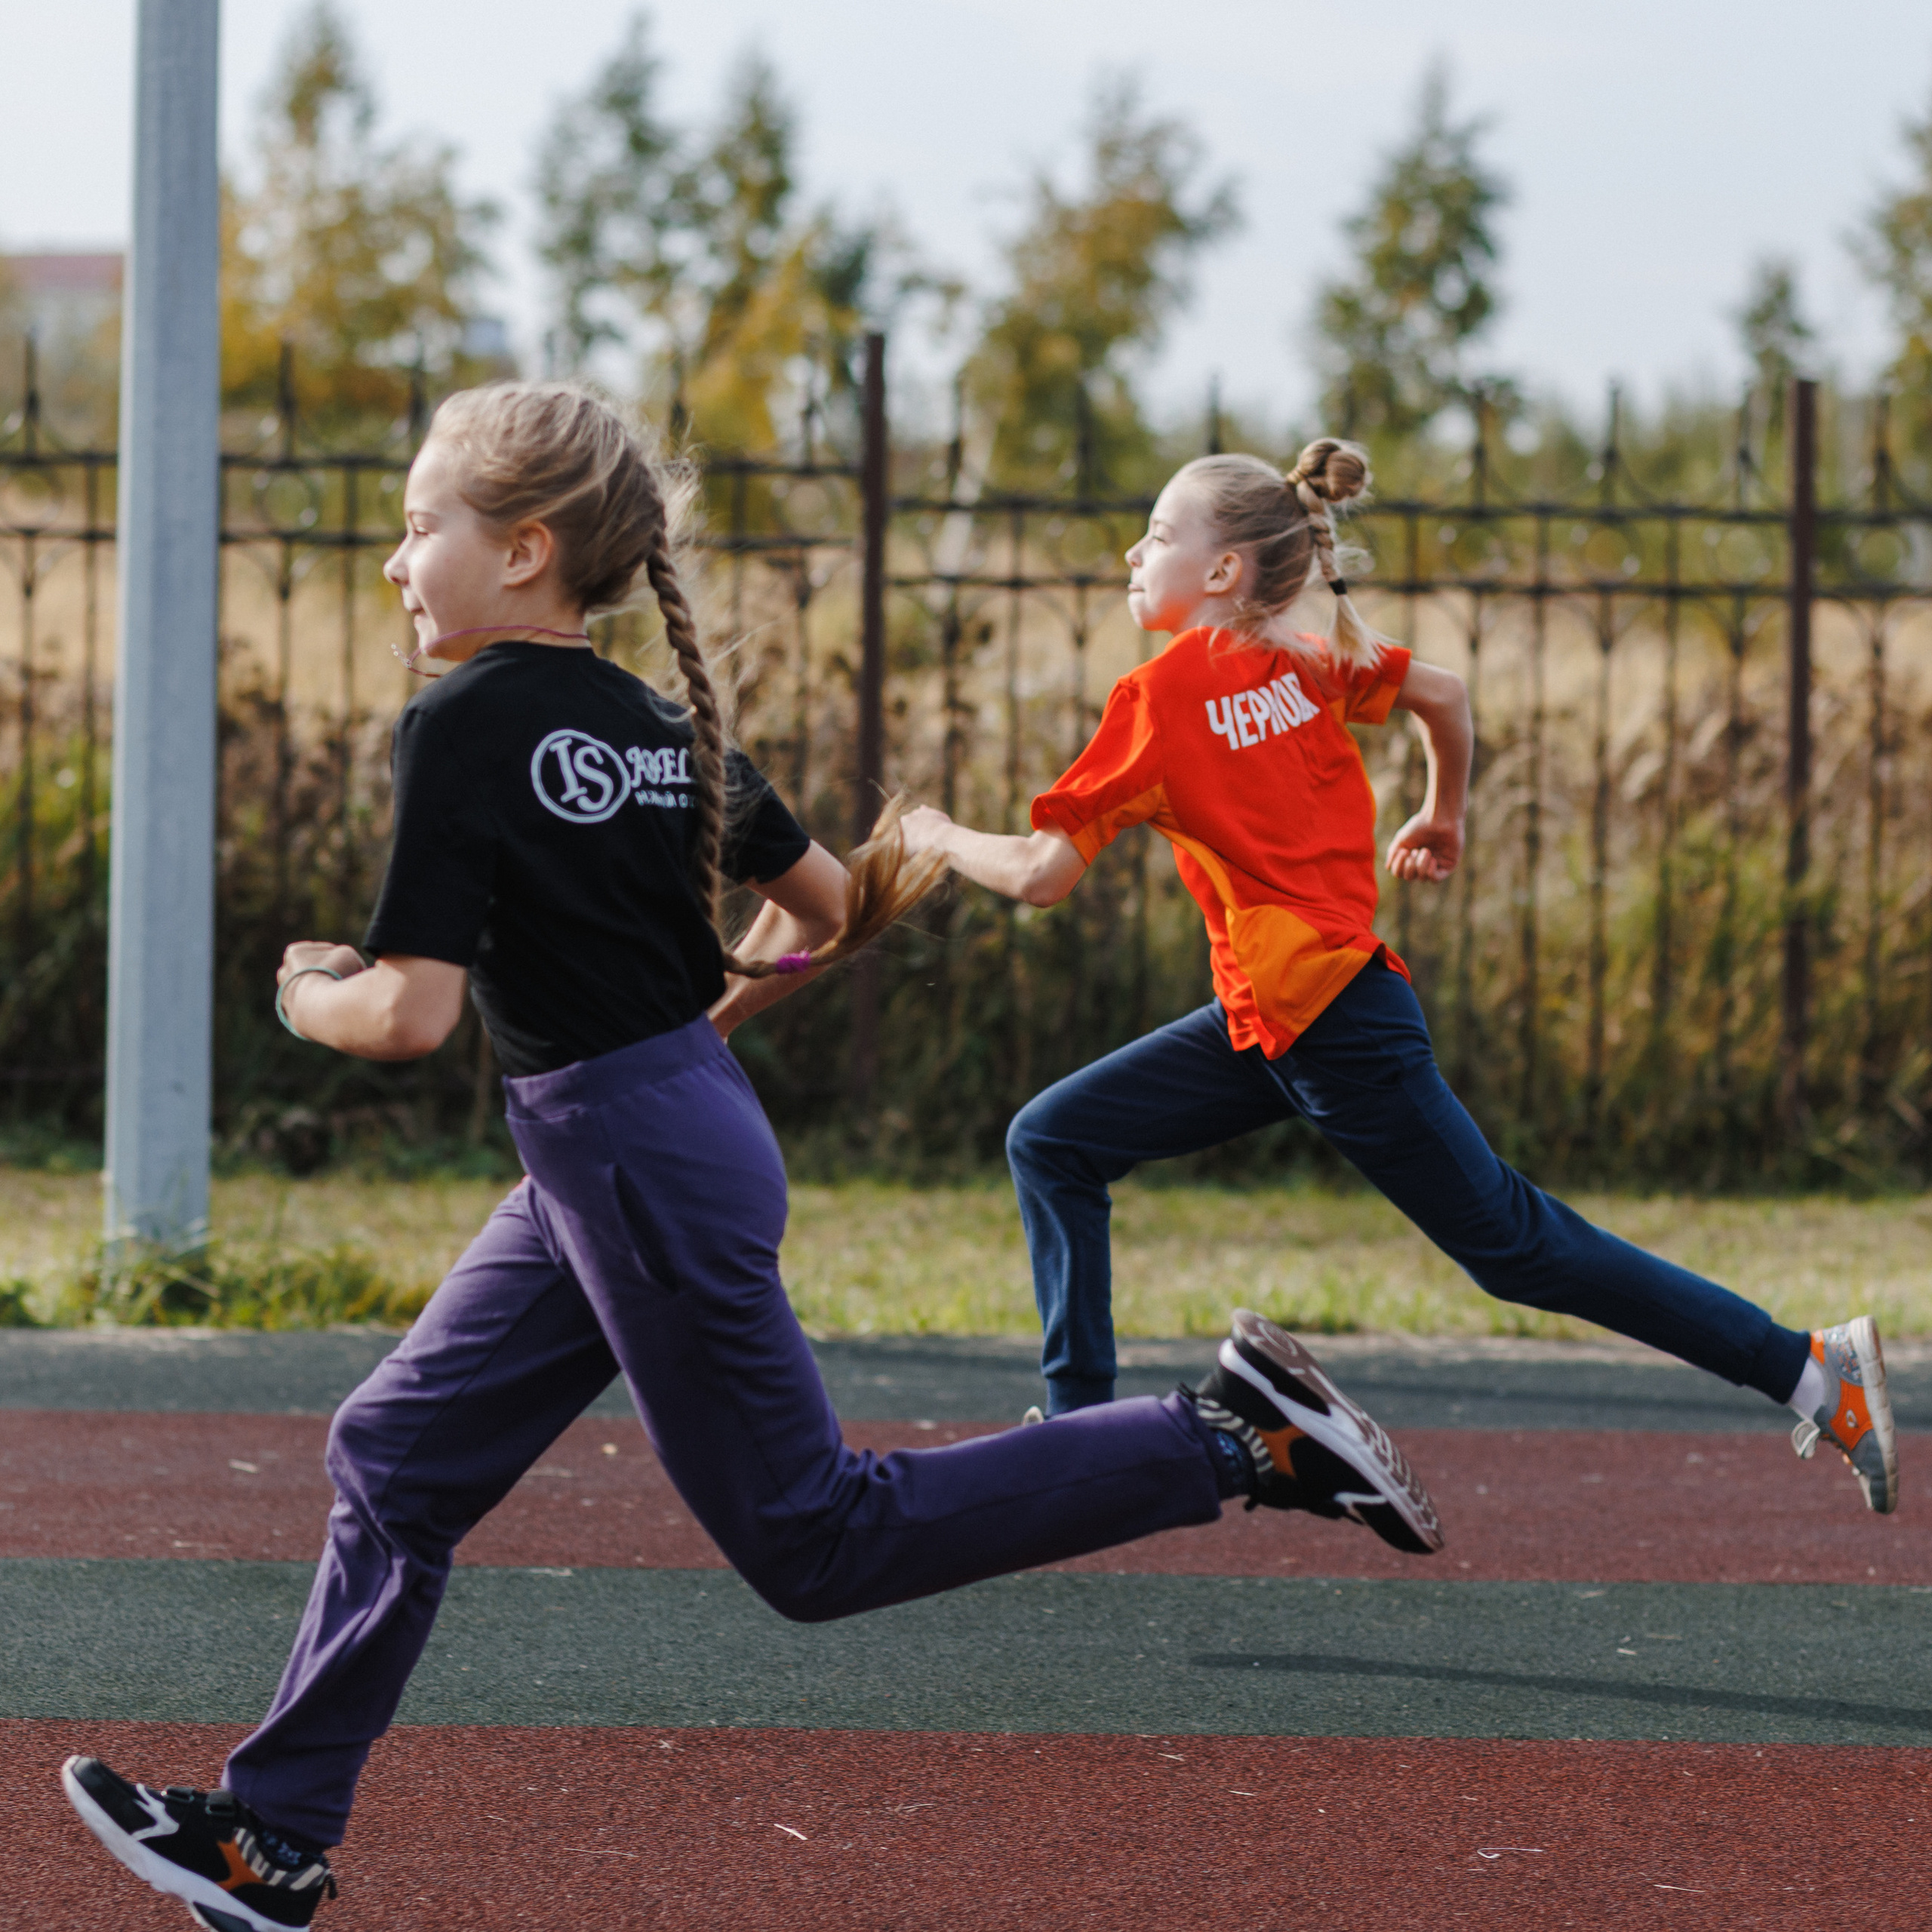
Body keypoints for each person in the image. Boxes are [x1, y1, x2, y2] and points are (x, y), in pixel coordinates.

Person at [60, 387, 1443, 1932]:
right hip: (644, 1136)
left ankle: (1229, 1438)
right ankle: (273, 1838)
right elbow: (832, 898)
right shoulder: (658, 721)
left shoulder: (458, 721)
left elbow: (406, 1012)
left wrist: (303, 983)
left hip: (634, 1156)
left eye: (415, 526)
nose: (394, 561)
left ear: (522, 551)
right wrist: (682, 1024)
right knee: (391, 1454)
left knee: (815, 1538)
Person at [900, 438, 1899, 1512]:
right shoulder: (1309, 653)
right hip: (1275, 1024)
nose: (1130, 553)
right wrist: (1445, 814)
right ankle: (1089, 1433)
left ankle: (1809, 1371)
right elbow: (1448, 693)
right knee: (1054, 1137)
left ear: (1226, 571)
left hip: (1334, 1026)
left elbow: (1045, 875)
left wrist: (939, 833)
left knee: (1518, 1247)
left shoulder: (1162, 696)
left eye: (1155, 534)